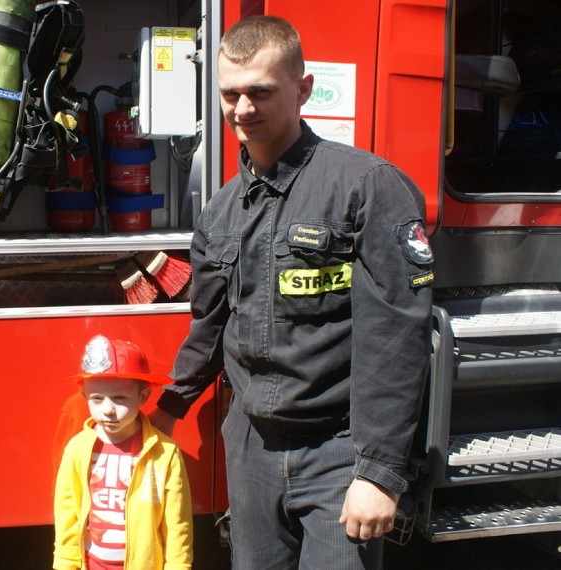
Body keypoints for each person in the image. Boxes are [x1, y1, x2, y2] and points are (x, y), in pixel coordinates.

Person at [148, 15, 433, 570]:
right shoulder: (220, 211)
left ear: (303, 89)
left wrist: (378, 471)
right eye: (231, 94)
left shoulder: (367, 188)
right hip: (252, 447)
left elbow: (395, 334)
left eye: (261, 92)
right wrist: (168, 407)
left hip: (338, 449)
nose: (243, 109)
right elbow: (209, 328)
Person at [53, 334, 194, 570]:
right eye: (97, 399)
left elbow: (177, 521)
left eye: (120, 398)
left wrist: (179, 566)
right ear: (84, 396)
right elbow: (67, 512)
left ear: (143, 397)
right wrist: (65, 564)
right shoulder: (77, 449)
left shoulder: (165, 452)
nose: (108, 410)